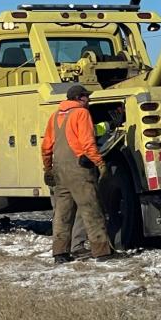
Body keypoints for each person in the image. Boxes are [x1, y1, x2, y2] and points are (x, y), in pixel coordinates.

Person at [42, 84, 115, 263]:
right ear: (79, 98)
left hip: (59, 169)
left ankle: (60, 253)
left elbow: (46, 147)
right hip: (79, 168)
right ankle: (102, 252)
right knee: (91, 209)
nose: (88, 100)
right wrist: (99, 163)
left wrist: (48, 168)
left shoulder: (55, 116)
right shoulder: (81, 113)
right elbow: (87, 142)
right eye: (86, 97)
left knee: (62, 213)